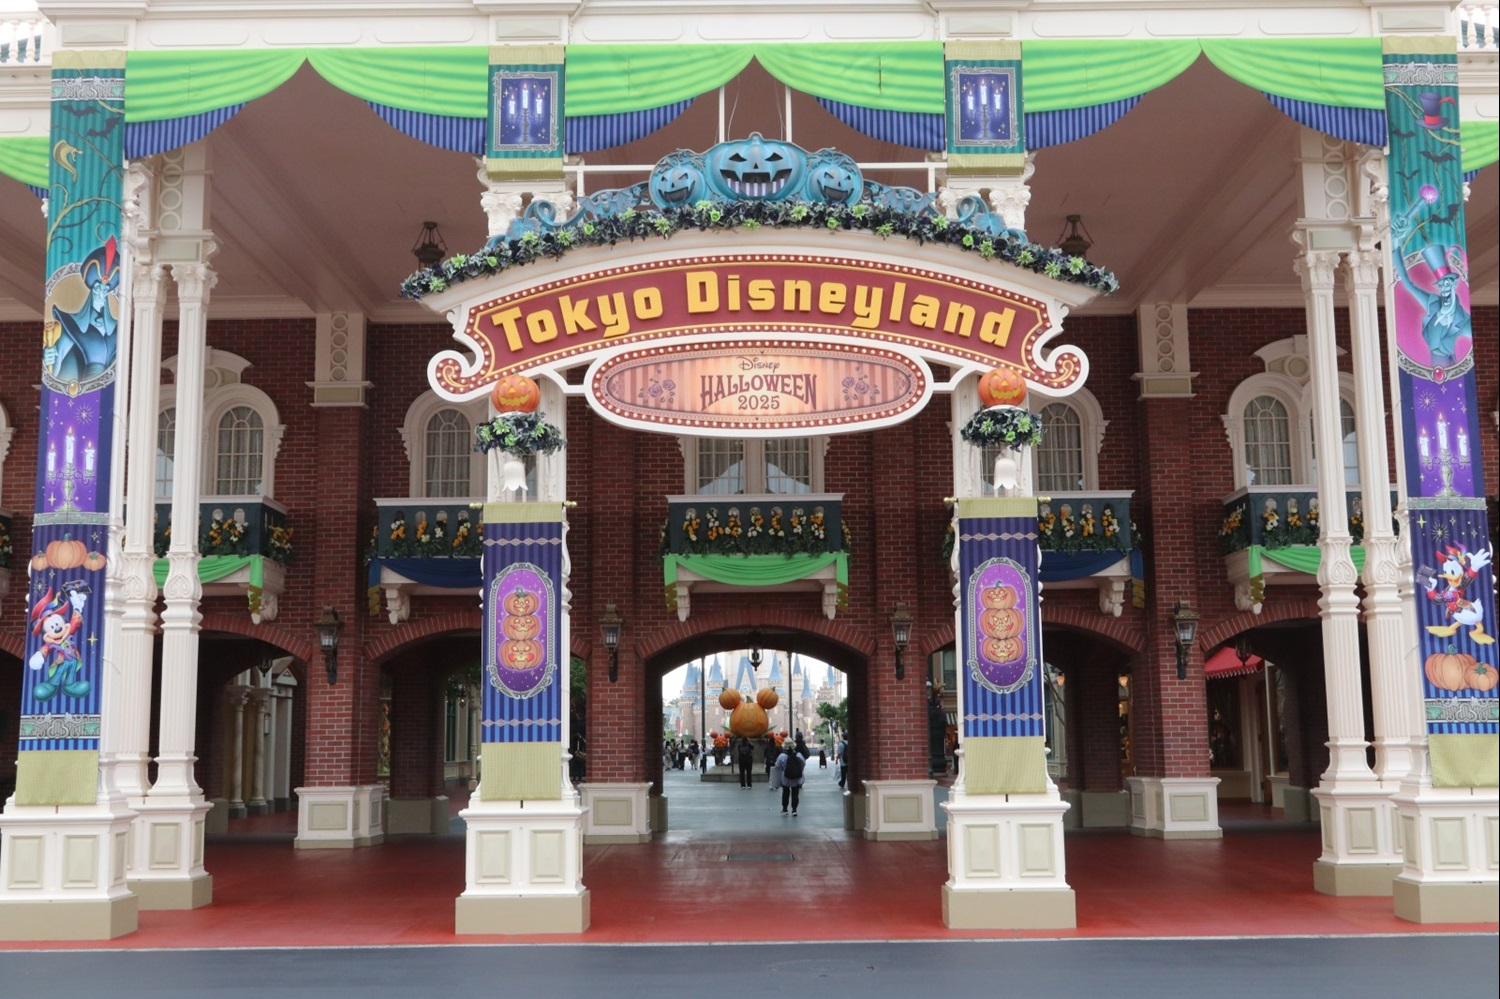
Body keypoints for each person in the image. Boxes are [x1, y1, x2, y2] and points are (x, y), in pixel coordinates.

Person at [775, 740, 807, 816]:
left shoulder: (782, 756)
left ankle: (785, 809)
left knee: (785, 792)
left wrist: (783, 768)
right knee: (795, 793)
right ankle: (794, 810)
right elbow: (803, 763)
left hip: (785, 777)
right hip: (796, 777)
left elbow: (777, 765)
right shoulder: (798, 755)